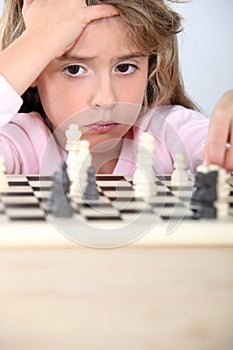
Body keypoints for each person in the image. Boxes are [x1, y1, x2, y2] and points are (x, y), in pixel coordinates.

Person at [0, 0, 227, 175]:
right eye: (74, 69)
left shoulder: (168, 132)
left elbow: (221, 149)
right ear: (34, 69)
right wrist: (35, 43)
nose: (107, 99)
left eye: (125, 67)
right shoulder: (23, 144)